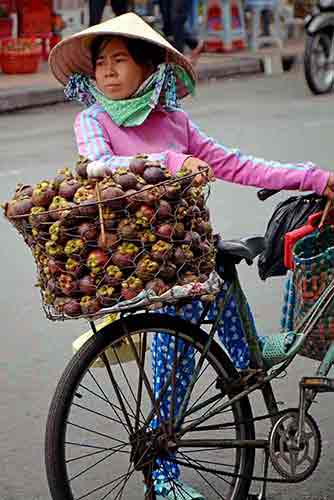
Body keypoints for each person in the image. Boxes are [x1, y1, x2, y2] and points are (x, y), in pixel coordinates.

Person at [49, 13, 334, 499]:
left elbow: (236, 164)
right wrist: (169, 163)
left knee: (221, 270)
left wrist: (312, 178)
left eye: (120, 60)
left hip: (192, 253)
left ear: (149, 69)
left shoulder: (175, 121)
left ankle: (246, 360)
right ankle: (163, 478)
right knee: (172, 367)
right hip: (141, 266)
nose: (108, 72)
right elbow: (98, 166)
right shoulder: (93, 120)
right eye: (101, 63)